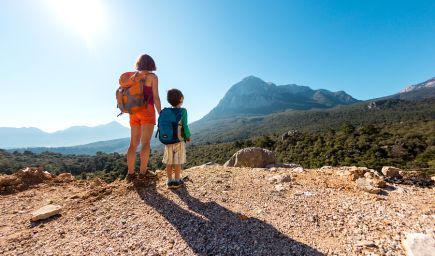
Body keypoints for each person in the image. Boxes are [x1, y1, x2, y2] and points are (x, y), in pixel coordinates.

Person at [119, 54, 161, 181]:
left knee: (133, 143)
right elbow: (155, 97)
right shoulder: (152, 77)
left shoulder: (134, 77)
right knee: (145, 143)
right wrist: (161, 113)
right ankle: (143, 173)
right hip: (146, 110)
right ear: (151, 64)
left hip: (133, 112)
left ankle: (130, 174)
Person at [163, 89, 191, 188]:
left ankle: (170, 181)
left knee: (169, 162)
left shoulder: (166, 111)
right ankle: (177, 180)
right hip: (179, 141)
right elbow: (185, 125)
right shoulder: (183, 111)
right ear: (181, 99)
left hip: (168, 141)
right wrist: (187, 136)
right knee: (177, 161)